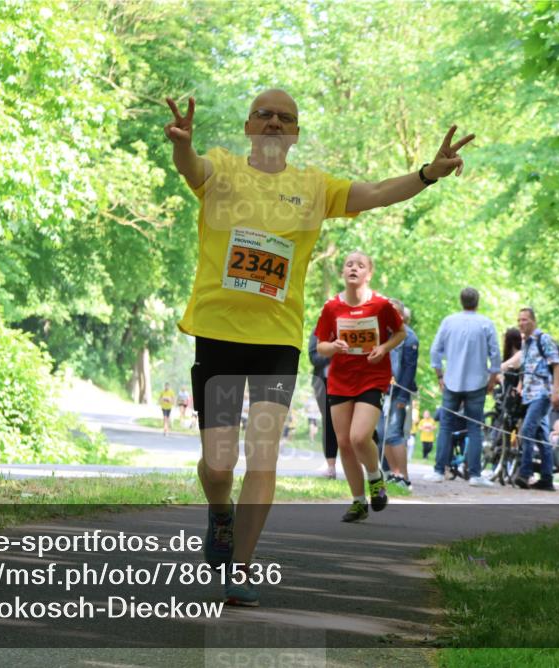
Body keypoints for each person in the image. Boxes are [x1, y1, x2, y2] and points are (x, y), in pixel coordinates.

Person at [165, 88, 473, 605]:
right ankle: (220, 513)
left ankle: (240, 568)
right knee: (218, 465)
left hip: (277, 341)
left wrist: (427, 174)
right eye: (264, 115)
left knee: (262, 457)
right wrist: (181, 144)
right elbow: (190, 166)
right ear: (248, 126)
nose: (273, 122)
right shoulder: (221, 169)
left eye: (284, 118)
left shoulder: (313, 186)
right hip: (218, 333)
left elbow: (377, 192)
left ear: (295, 132)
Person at [316, 252, 406, 522]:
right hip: (340, 379)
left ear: (369, 273)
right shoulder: (332, 307)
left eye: (360, 265)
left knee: (359, 437)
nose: (353, 268)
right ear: (342, 272)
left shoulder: (381, 305)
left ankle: (376, 478)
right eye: (349, 264)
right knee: (344, 443)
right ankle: (358, 502)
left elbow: (400, 333)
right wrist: (333, 346)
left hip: (372, 377)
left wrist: (384, 348)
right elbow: (321, 346)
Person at [424, 288, 500, 487]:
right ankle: (475, 475)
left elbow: (435, 350)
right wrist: (492, 379)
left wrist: (440, 375)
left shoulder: (449, 321)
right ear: (477, 302)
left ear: (461, 301)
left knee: (446, 426)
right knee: (475, 427)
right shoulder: (486, 323)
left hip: (452, 381)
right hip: (477, 383)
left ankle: (439, 471)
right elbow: (495, 354)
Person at [512, 307, 559, 491]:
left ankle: (524, 474)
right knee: (541, 436)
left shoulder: (544, 339)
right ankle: (547, 479)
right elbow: (525, 367)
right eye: (519, 320)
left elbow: (556, 365)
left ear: (533, 321)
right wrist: (520, 385)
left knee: (527, 430)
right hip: (528, 395)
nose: (521, 323)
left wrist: (555, 392)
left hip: (542, 393)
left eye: (524, 319)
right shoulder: (525, 342)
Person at [377, 299, 419, 489]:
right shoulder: (381, 334)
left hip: (398, 393)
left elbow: (409, 370)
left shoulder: (409, 338)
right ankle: (393, 473)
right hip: (380, 389)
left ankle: (404, 477)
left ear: (400, 315)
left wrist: (402, 397)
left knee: (394, 433)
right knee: (381, 433)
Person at [309, 329, 339, 478]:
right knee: (328, 423)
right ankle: (330, 466)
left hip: (347, 382)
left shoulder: (350, 326)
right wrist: (332, 352)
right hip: (324, 384)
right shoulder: (318, 331)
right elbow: (313, 358)